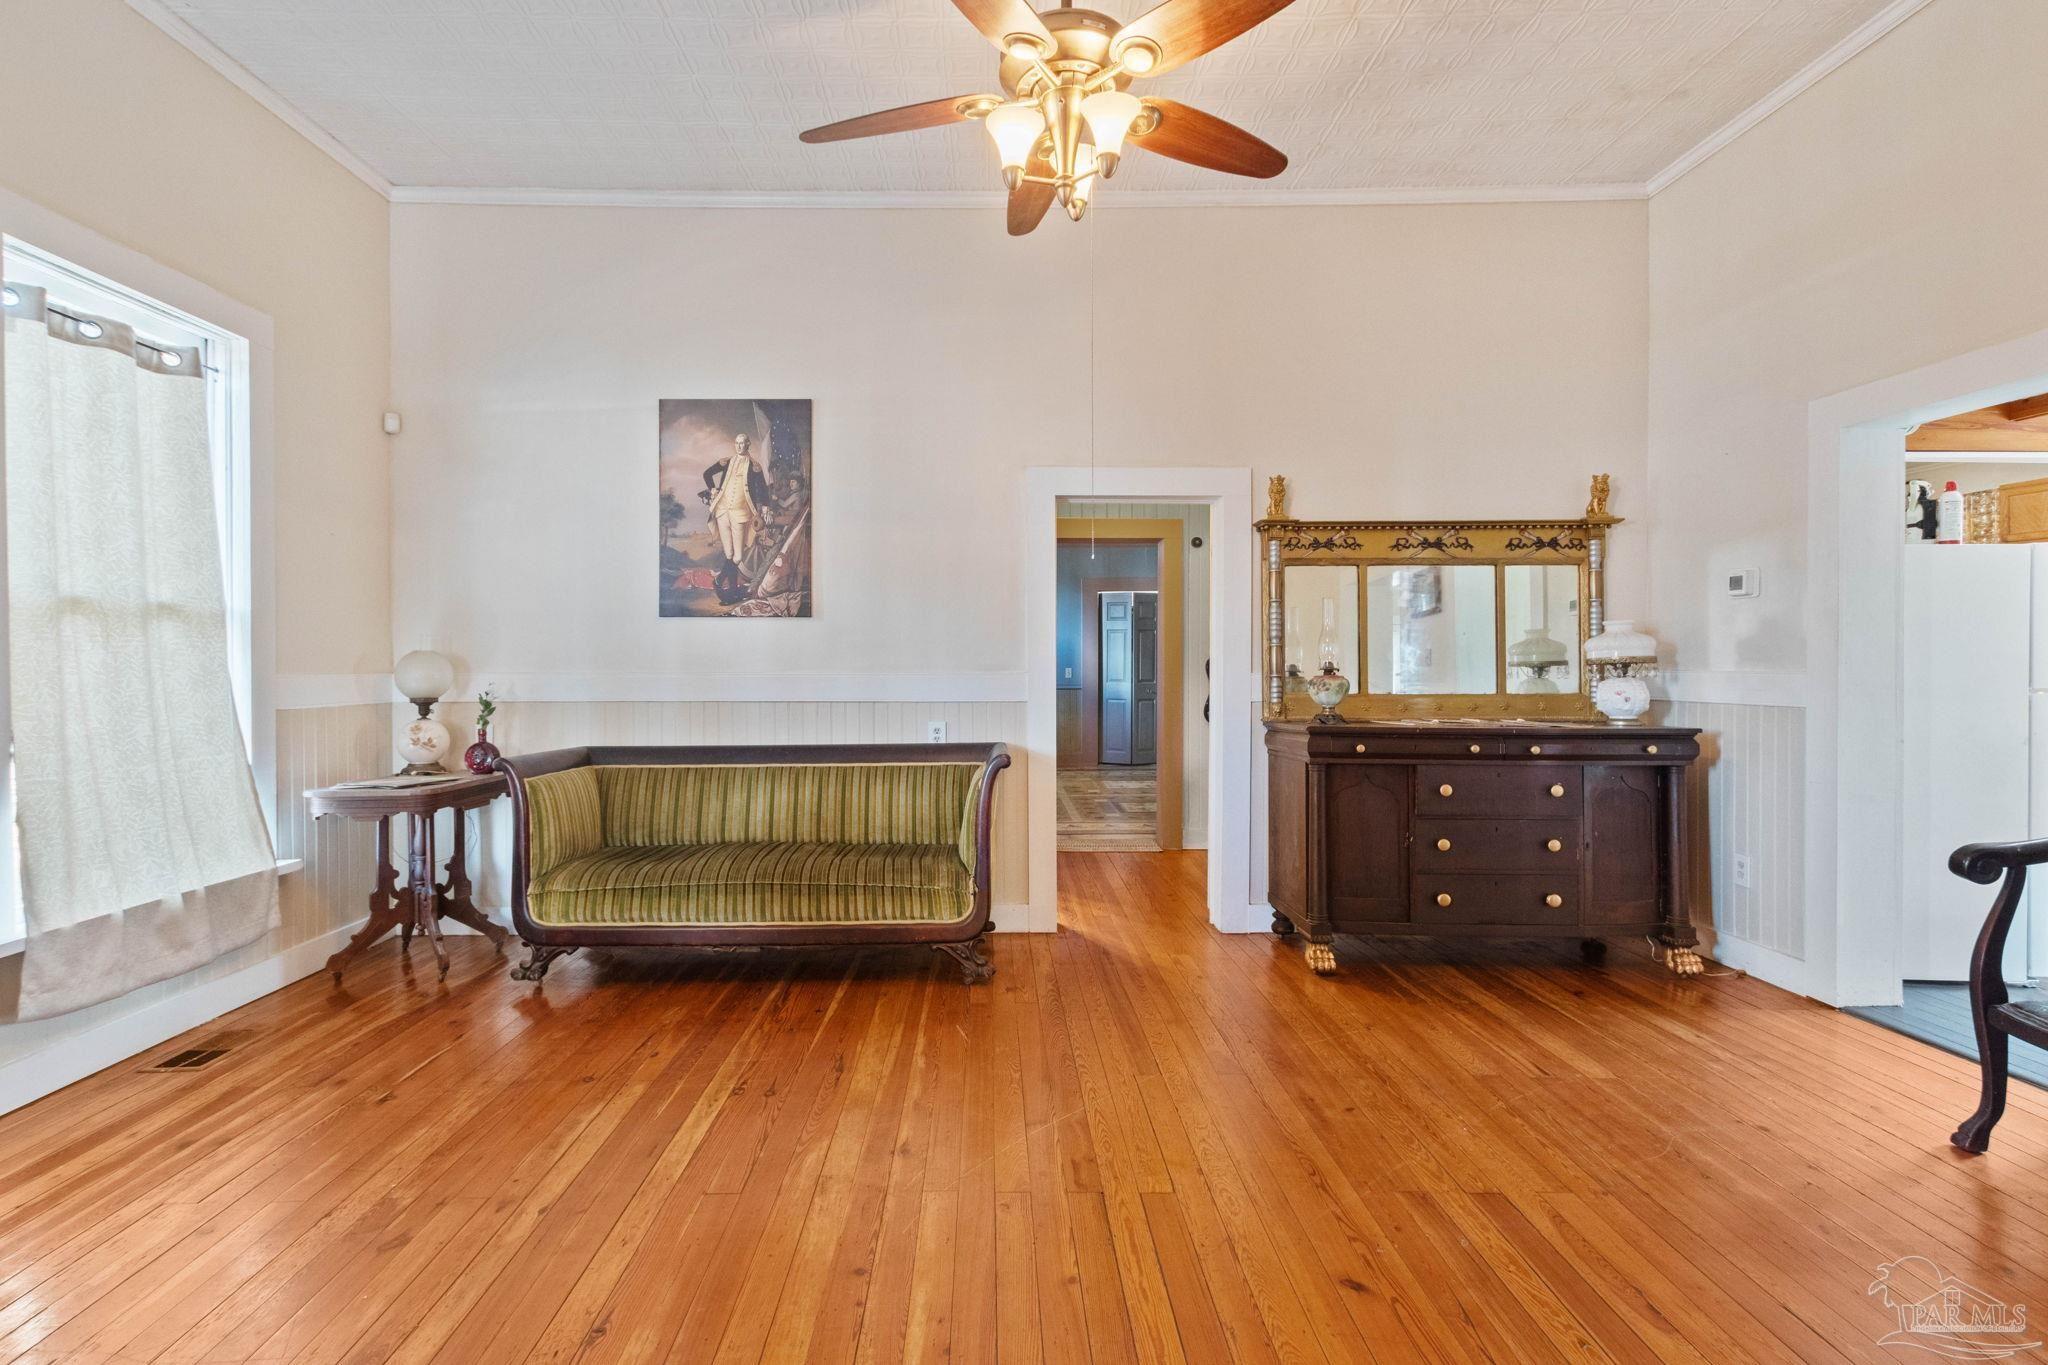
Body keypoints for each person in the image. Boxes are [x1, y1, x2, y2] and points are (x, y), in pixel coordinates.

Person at [700, 432, 770, 567]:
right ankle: (730, 580)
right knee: (728, 553)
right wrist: (713, 489)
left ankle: (723, 577)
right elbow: (707, 474)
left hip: (740, 513)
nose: (739, 446)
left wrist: (766, 507)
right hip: (722, 511)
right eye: (737, 443)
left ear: (748, 444)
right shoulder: (726, 462)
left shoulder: (755, 466)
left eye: (742, 443)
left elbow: (762, 489)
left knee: (738, 557)